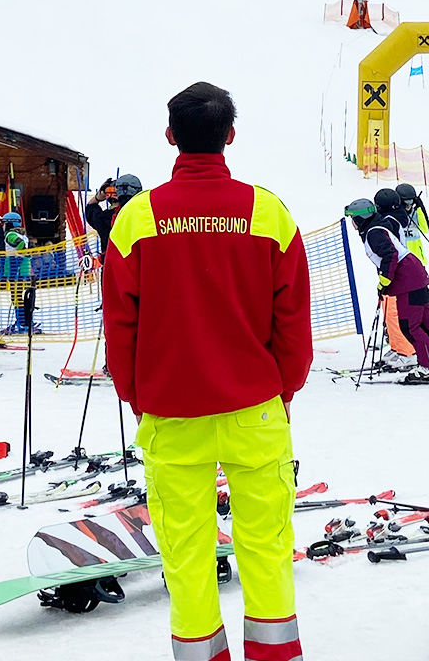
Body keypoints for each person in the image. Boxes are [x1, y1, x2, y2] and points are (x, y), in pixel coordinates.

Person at [103, 81, 312, 661]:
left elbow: (120, 326)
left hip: (171, 415)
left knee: (186, 553)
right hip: (255, 411)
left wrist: (137, 395)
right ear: (230, 136)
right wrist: (285, 387)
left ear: (171, 137)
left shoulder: (136, 219)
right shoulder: (268, 213)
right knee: (267, 546)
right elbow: (293, 319)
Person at [345, 197, 429, 383]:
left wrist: (384, 281)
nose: (352, 224)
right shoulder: (378, 226)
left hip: (408, 279)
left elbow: (390, 255)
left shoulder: (374, 233)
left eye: (353, 219)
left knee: (410, 325)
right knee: (425, 323)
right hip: (414, 275)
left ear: (360, 219)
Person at [371, 188, 417, 369]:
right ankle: (398, 347)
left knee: (394, 314)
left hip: (395, 273)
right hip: (394, 272)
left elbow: (390, 250)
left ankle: (407, 352)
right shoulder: (396, 217)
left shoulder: (390, 221)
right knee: (389, 311)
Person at [86, 175, 142, 256]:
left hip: (110, 265)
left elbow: (90, 208)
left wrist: (98, 197)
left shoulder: (103, 218)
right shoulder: (143, 214)